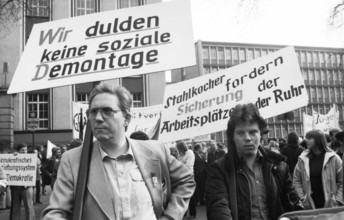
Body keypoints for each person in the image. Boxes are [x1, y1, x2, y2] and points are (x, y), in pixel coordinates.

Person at [42, 83, 195, 220]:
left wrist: (171, 216)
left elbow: (186, 180)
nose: (98, 118)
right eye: (93, 112)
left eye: (107, 111)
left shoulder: (155, 150)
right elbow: (56, 212)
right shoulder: (73, 160)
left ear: (126, 118)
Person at [205, 103, 303, 220]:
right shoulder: (219, 169)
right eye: (240, 133)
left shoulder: (279, 166)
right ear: (232, 136)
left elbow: (294, 202)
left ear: (260, 134)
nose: (247, 138)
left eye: (252, 132)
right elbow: (218, 207)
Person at [293, 129, 343, 209]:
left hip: (331, 206)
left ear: (318, 140)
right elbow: (296, 180)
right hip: (310, 205)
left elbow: (342, 180)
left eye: (309, 138)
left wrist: (338, 200)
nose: (306, 140)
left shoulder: (334, 158)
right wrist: (303, 198)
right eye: (306, 138)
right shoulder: (302, 159)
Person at [10, 143, 35, 220]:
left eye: (25, 150)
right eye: (22, 150)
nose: (24, 151)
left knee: (29, 206)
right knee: (15, 207)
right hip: (15, 186)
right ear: (18, 151)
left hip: (26, 187)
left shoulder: (30, 159)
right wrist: (13, 156)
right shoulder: (13, 158)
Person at [176, 141, 196, 219]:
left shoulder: (190, 153)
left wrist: (180, 164)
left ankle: (192, 213)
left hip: (189, 177)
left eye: (178, 148)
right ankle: (183, 213)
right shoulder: (180, 154)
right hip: (181, 176)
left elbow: (188, 166)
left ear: (181, 148)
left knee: (191, 195)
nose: (177, 150)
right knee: (182, 195)